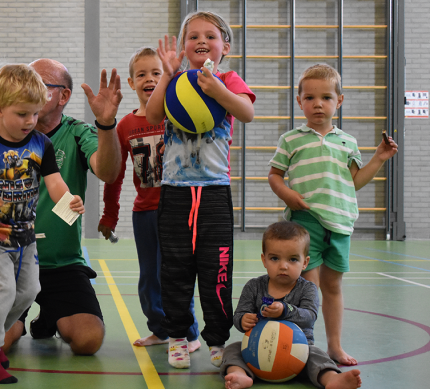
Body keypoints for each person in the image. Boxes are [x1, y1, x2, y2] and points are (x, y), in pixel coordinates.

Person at [0, 58, 123, 356]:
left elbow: (108, 171)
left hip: (62, 265)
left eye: (41, 83)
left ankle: (49, 316)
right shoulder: (0, 141)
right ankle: (22, 316)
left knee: (88, 340)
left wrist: (106, 124)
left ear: (63, 96)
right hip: (11, 260)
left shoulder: (77, 133)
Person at [0, 63, 85, 384]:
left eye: (34, 114)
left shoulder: (41, 144)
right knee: (2, 291)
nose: (30, 121)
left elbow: (54, 182)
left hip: (25, 234)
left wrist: (69, 199)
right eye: (22, 114)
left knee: (28, 291)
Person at [145, 10, 256, 369]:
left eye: (210, 35)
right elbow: (151, 115)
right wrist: (165, 74)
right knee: (174, 270)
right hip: (175, 191)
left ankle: (217, 340)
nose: (201, 41)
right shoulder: (175, 81)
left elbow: (246, 112)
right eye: (192, 36)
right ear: (182, 46)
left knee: (216, 270)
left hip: (213, 192)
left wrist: (218, 90)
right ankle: (178, 336)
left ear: (225, 46)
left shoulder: (228, 78)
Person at [268, 63, 398, 366]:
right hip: (306, 222)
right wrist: (288, 195)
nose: (317, 104)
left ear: (339, 101)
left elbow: (354, 183)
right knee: (309, 288)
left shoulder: (347, 141)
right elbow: (274, 176)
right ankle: (307, 347)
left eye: (326, 97)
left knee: (333, 286)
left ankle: (335, 346)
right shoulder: (291, 139)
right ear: (300, 101)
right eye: (310, 98)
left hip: (340, 223)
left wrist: (379, 158)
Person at [97, 46, 201, 351]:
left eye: (156, 72)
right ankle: (160, 329)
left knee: (177, 274)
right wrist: (109, 215)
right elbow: (114, 174)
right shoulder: (125, 126)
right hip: (144, 212)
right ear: (131, 83)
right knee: (149, 279)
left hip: (179, 208)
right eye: (141, 74)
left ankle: (190, 333)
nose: (149, 79)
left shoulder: (176, 117)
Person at [220, 221, 362, 389]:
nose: (283, 266)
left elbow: (310, 316)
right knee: (232, 349)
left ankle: (330, 378)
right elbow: (239, 314)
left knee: (317, 354)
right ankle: (240, 374)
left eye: (293, 259)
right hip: (258, 349)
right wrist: (243, 320)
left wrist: (284, 311)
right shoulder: (254, 286)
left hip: (298, 351)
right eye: (274, 258)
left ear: (305, 262)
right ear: (264, 260)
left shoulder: (307, 288)